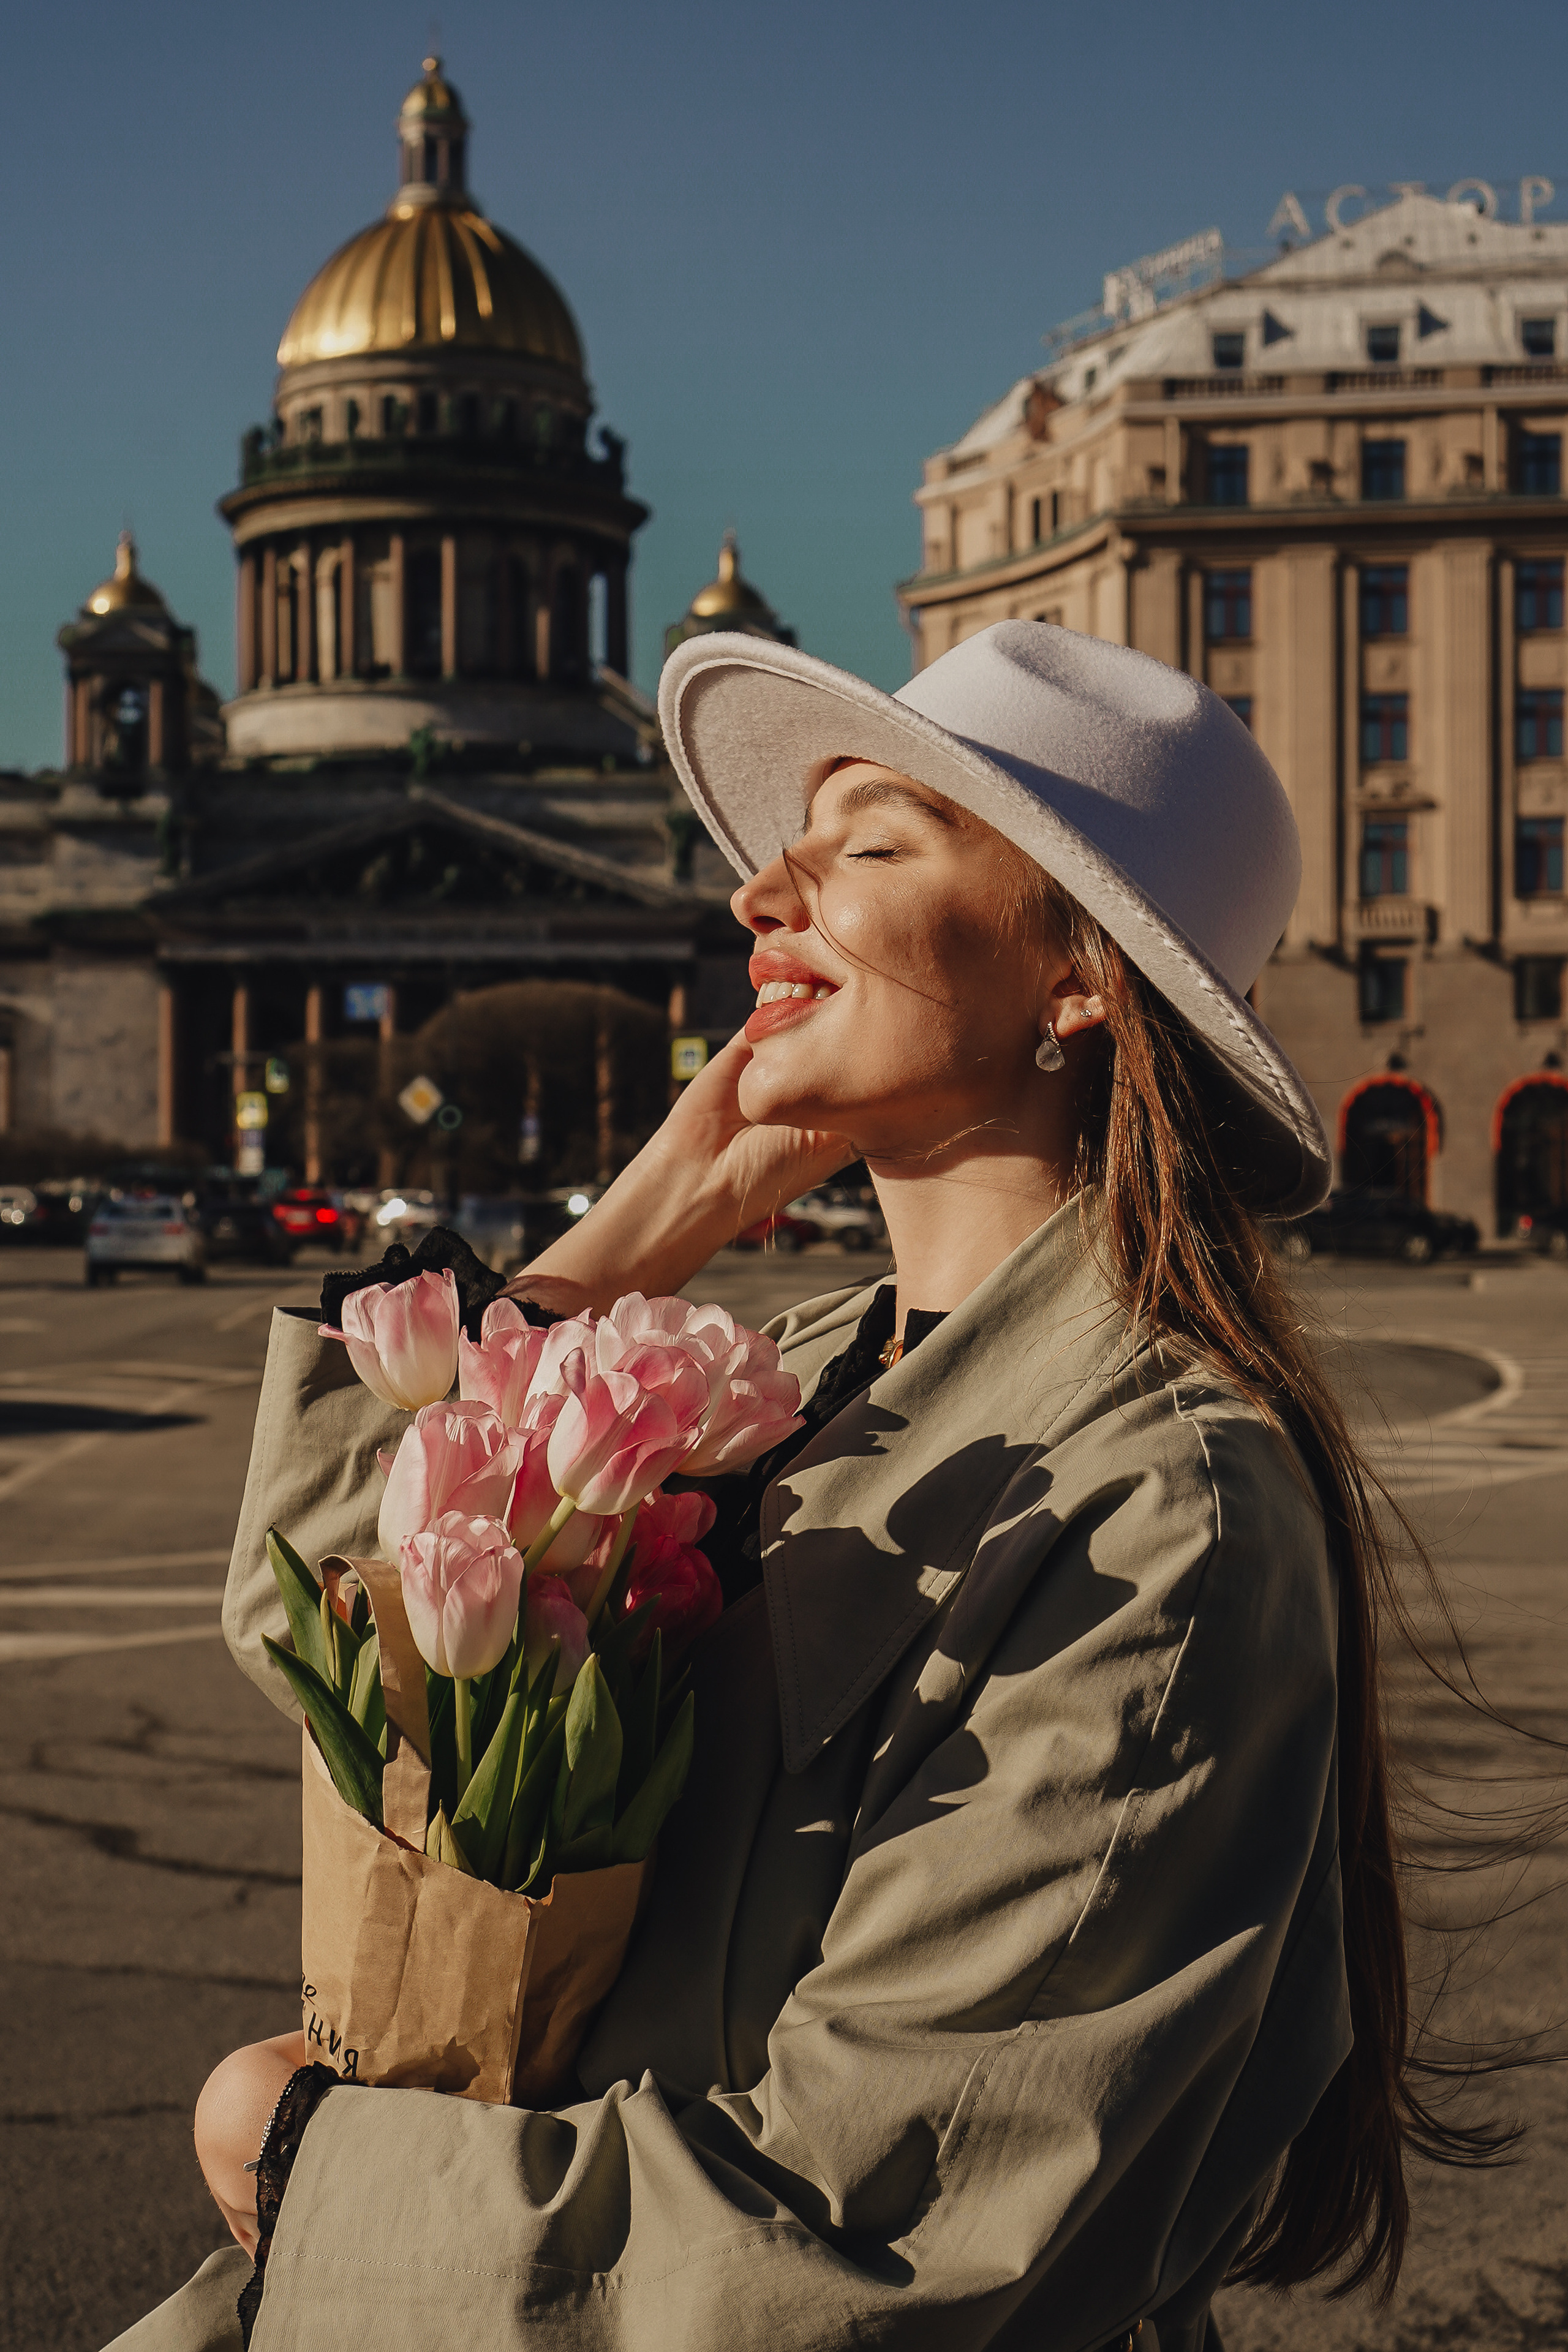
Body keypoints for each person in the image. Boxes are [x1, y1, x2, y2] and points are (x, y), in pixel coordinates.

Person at [116, 623, 1476, 2352]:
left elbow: (871, 2238)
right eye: (789, 847)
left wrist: (311, 2157)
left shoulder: (1161, 1517)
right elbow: (331, 1646)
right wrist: (646, 1218)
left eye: (873, 847)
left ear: (1080, 979)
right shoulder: (784, 1378)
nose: (765, 893)